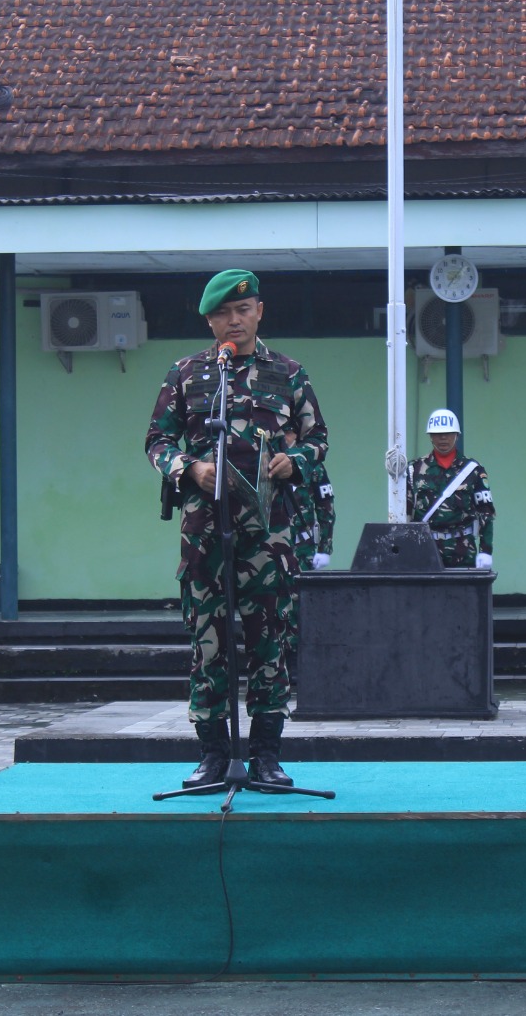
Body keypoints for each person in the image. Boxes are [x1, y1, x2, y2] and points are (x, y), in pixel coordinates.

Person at [145, 268, 327, 789]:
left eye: (243, 310)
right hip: (205, 530)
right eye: (223, 313)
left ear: (259, 312)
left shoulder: (288, 373)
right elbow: (157, 441)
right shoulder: (187, 374)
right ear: (209, 320)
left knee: (270, 642)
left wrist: (294, 460)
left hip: (268, 535)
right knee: (209, 644)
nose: (234, 320)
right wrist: (189, 468)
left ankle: (267, 755)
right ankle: (213, 756)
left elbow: (318, 438)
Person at [406, 409, 494, 569]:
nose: (443, 438)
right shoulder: (414, 470)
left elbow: (486, 512)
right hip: (425, 549)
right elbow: (405, 513)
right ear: (430, 436)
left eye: (448, 433)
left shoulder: (473, 470)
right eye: (438, 434)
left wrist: (486, 550)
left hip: (463, 550)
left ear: (457, 435)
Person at [283, 444, 335, 680]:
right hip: (269, 544)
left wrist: (325, 548)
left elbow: (326, 508)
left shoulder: (312, 464)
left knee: (299, 603)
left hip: (301, 547)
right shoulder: (265, 459)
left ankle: (296, 660)